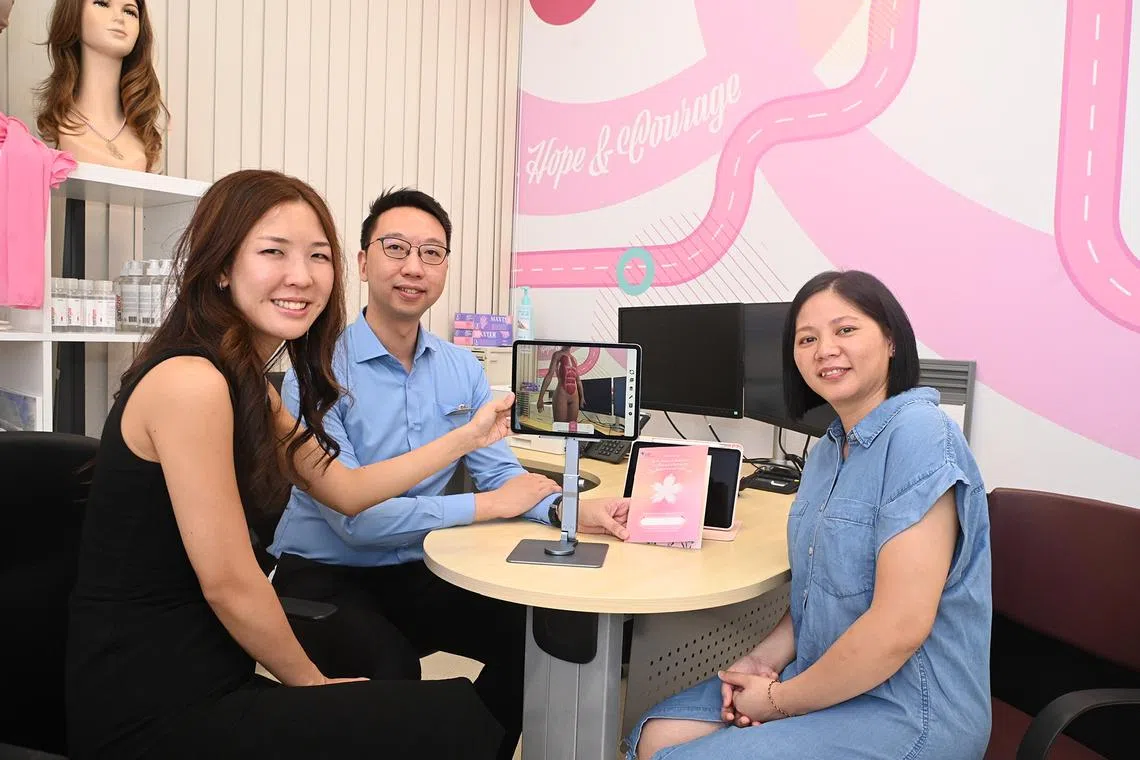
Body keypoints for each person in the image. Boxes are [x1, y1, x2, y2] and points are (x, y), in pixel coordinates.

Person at [65, 170, 512, 759]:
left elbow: (347, 490)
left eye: (316, 256)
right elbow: (229, 582)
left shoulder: (251, 384)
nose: (301, 277)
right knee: (451, 723)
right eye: (273, 252)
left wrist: (467, 438)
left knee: (461, 700)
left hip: (213, 666)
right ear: (222, 266)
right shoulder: (191, 382)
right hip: (152, 696)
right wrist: (312, 686)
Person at [268, 187, 632, 760]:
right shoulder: (315, 371)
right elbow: (357, 521)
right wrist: (487, 508)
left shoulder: (461, 367)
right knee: (389, 668)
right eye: (395, 248)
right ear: (362, 264)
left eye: (432, 253)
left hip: (418, 565)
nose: (413, 267)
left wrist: (568, 508)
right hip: (325, 573)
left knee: (540, 636)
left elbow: (499, 472)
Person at [628, 270, 992, 759]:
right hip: (828, 676)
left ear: (890, 340)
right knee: (653, 736)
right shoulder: (825, 452)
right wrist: (761, 662)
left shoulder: (922, 436)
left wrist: (777, 701)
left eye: (845, 330)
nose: (825, 350)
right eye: (807, 338)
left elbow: (899, 628)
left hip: (909, 707)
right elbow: (818, 593)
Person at [36, 0, 167, 172]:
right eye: (102, 3)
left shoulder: (142, 138)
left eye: (130, 12)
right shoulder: (60, 131)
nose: (119, 18)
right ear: (73, 15)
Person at [538, 344, 584, 424]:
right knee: (560, 426)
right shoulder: (557, 355)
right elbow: (549, 375)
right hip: (562, 394)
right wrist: (540, 398)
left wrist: (582, 397)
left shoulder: (574, 359)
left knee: (572, 427)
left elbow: (578, 380)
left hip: (575, 397)